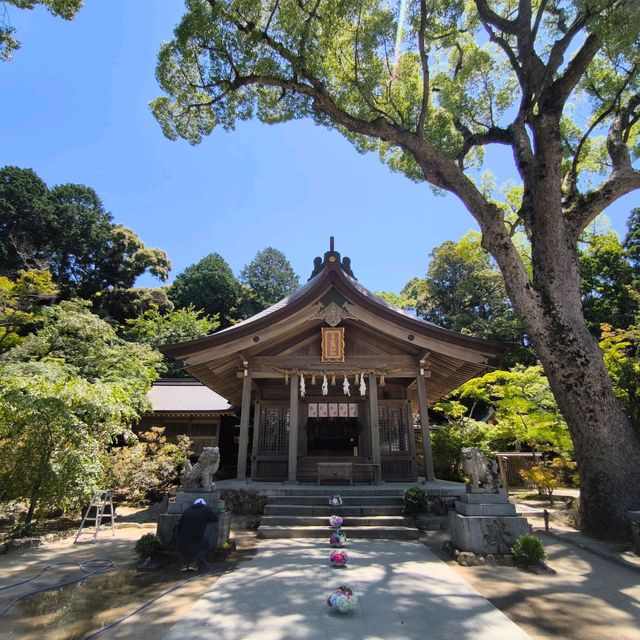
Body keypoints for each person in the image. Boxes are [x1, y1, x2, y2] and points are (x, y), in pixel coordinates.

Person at [175, 498, 218, 570]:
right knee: (205, 545)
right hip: (198, 536)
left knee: (183, 549)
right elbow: (214, 518)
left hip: (184, 536)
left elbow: (180, 523)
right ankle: (194, 563)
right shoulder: (206, 509)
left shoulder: (187, 510)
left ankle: (183, 565)